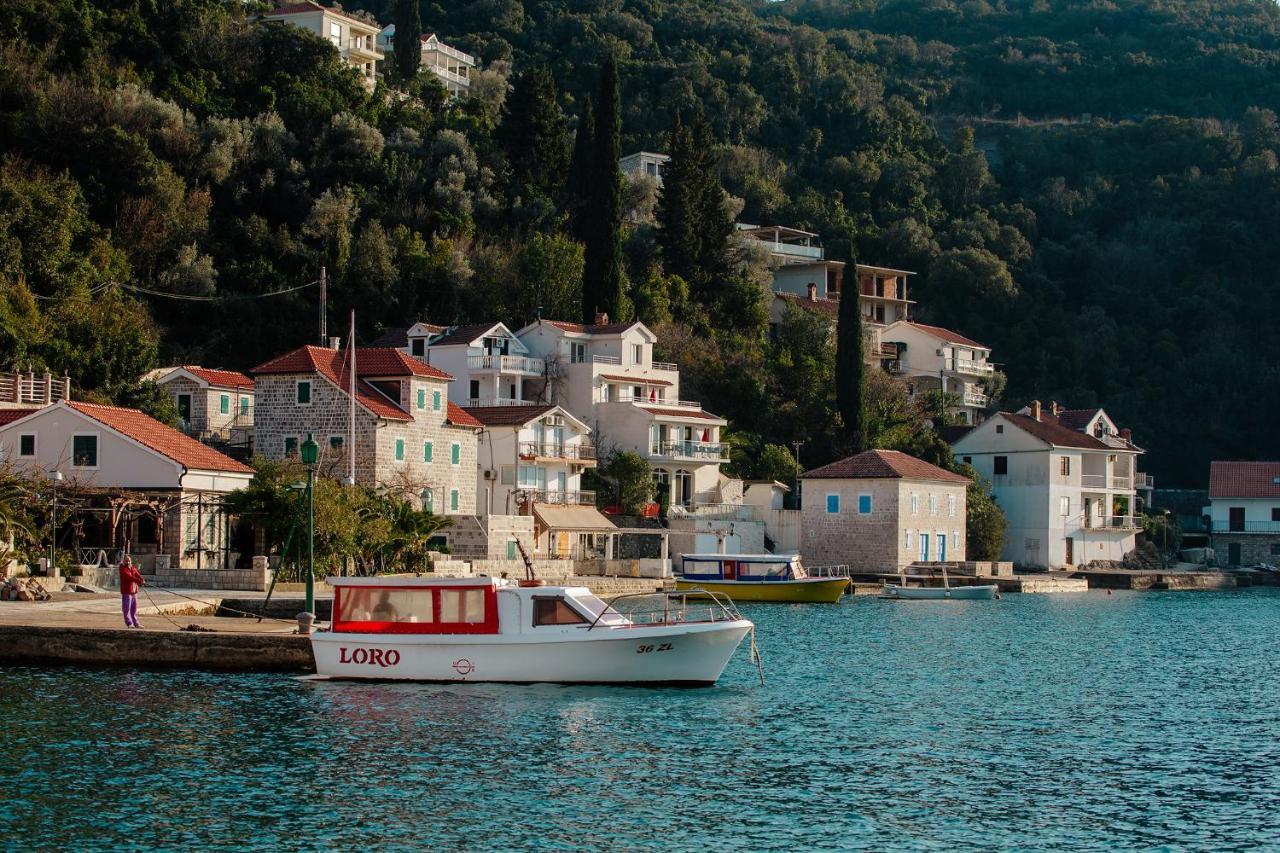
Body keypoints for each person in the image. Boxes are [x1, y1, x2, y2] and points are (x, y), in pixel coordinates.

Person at [118, 555, 144, 629]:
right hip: (127, 591)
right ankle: (129, 623)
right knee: (127, 608)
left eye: (129, 560)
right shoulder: (122, 568)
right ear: (123, 561)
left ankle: (136, 623)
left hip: (134, 591)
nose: (128, 562)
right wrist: (138, 581)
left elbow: (137, 574)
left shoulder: (132, 568)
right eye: (126, 560)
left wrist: (142, 579)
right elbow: (129, 577)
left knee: (134, 609)